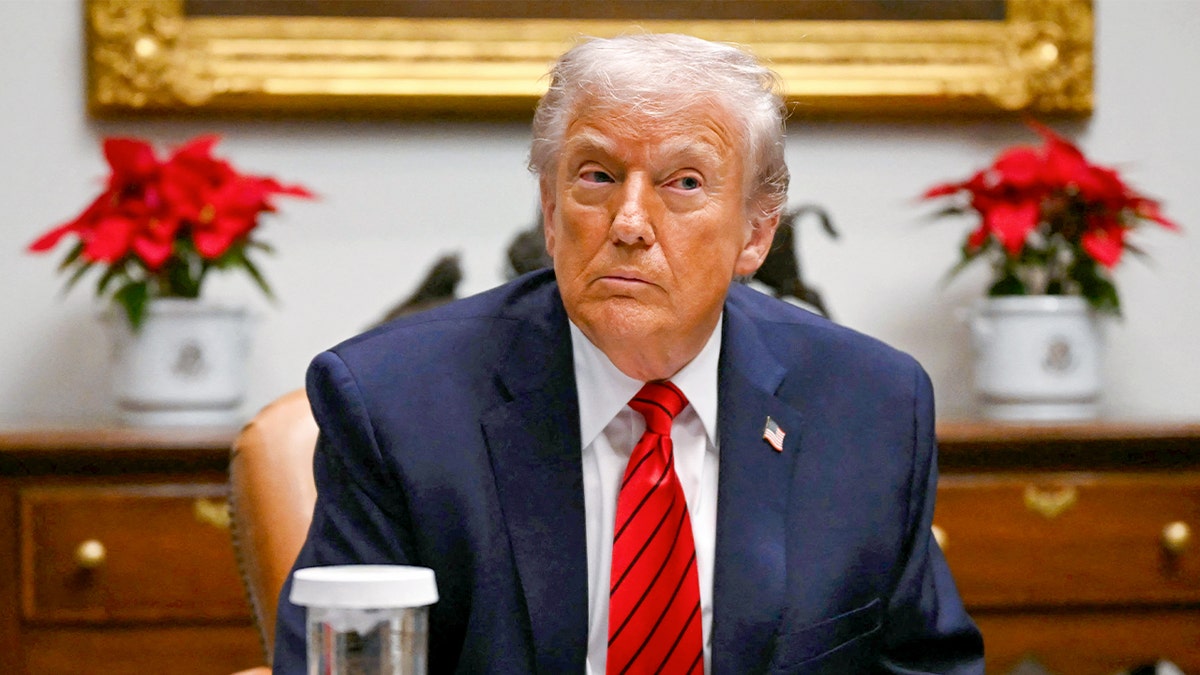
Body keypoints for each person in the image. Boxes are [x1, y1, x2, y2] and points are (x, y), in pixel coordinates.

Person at [273, 33, 983, 674]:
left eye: (684, 183)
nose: (631, 223)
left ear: (757, 235)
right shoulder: (395, 404)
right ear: (551, 212)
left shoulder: (871, 405)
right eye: (596, 176)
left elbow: (926, 665)